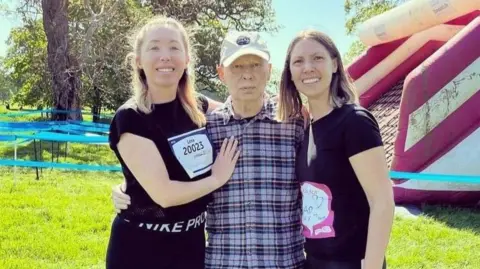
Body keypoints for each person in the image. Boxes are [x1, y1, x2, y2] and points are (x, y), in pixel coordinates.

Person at [112, 31, 306, 269]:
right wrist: (127, 189)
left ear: (269, 69)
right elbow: (163, 182)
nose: (247, 75)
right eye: (236, 67)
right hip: (220, 261)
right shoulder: (207, 126)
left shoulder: (294, 122)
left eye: (256, 65)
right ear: (221, 74)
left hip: (282, 262)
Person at [105, 16, 240, 269]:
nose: (165, 56)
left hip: (191, 245)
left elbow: (240, 112)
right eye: (154, 47)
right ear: (139, 61)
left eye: (174, 47)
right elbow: (164, 194)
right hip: (141, 249)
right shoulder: (131, 118)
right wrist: (216, 179)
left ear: (187, 59)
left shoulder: (197, 107)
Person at [277, 29, 395, 269]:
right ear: (290, 73)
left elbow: (382, 201)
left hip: (352, 262)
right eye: (298, 61)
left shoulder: (354, 122)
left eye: (317, 58)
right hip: (315, 262)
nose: (307, 67)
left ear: (334, 64)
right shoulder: (307, 127)